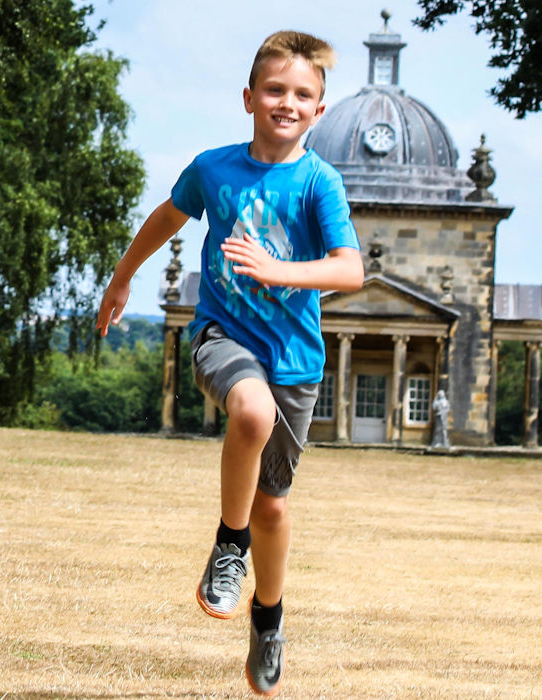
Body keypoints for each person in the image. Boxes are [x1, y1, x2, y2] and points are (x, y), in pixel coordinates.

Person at [92, 29, 363, 697]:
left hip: (294, 358)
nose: (287, 103)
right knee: (249, 411)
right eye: (275, 90)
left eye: (303, 95)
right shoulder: (214, 168)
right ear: (248, 97)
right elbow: (167, 215)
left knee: (274, 507)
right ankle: (227, 544)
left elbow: (351, 269)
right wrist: (123, 278)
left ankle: (267, 620)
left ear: (319, 111)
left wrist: (280, 270)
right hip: (221, 333)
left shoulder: (318, 183)